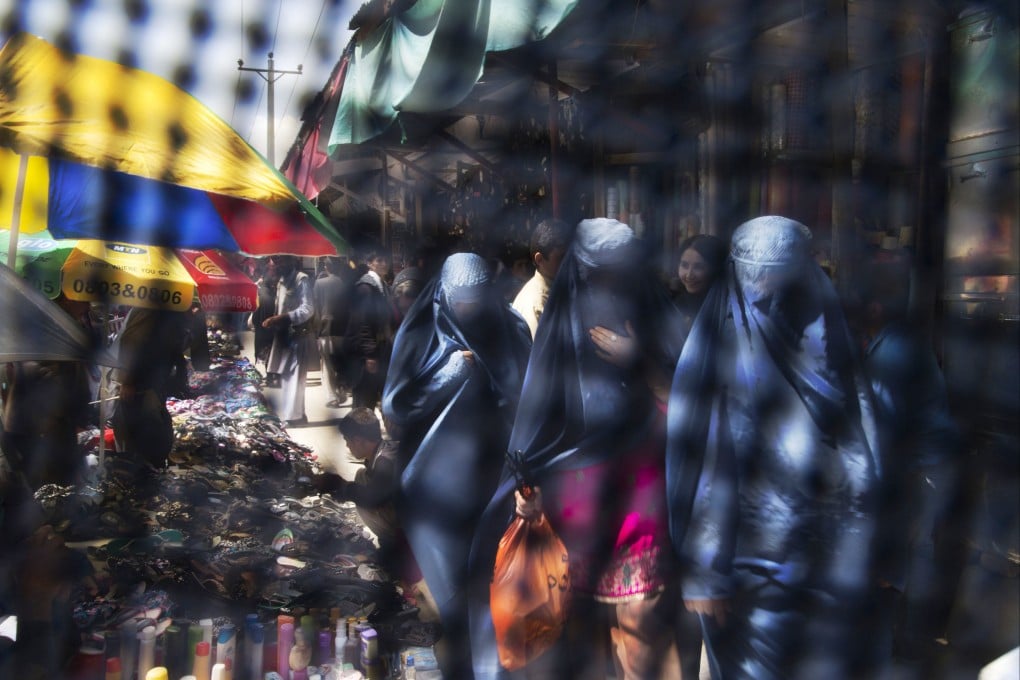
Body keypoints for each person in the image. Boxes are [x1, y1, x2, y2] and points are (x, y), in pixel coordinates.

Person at [470, 218, 689, 680]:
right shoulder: (560, 336)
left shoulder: (663, 328)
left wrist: (644, 363)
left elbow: (695, 416)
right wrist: (527, 490)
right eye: (597, 276)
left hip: (640, 506)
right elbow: (538, 428)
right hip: (575, 516)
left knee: (641, 637)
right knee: (582, 645)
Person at [665, 215, 881, 679]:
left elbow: (858, 436)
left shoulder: (822, 337)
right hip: (752, 574)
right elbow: (710, 457)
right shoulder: (724, 349)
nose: (766, 289)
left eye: (777, 277)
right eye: (757, 276)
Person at [383, 252, 532, 679]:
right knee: (453, 597)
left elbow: (532, 398)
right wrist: (450, 372)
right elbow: (396, 405)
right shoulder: (423, 331)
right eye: (459, 301)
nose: (467, 310)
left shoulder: (510, 328)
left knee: (494, 590)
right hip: (436, 488)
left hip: (498, 482)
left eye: (475, 300)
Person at [857, 256, 962, 674]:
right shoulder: (895, 341)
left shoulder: (894, 351)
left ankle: (903, 650)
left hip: (919, 475)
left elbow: (885, 432)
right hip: (925, 470)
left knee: (899, 567)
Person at [1, 295, 94, 488]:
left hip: (54, 422)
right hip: (45, 424)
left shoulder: (64, 323)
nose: (88, 305)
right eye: (84, 300)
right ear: (69, 297)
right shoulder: (52, 324)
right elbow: (36, 368)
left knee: (57, 480)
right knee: (51, 484)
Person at [112, 307, 193, 467]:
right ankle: (141, 473)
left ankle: (148, 470)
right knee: (144, 433)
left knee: (153, 430)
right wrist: (127, 380)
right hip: (142, 385)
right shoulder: (149, 308)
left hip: (153, 381)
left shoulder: (165, 308)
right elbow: (131, 341)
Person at [262, 255, 316, 426]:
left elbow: (308, 309)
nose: (278, 264)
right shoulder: (281, 281)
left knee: (295, 377)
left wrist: (284, 318)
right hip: (283, 336)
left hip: (298, 335)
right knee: (287, 376)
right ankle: (295, 414)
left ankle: (294, 417)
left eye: (282, 261)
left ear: (292, 261)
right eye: (276, 261)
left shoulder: (302, 279)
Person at [344, 248, 395, 410]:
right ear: (369, 264)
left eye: (386, 260)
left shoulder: (381, 286)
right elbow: (362, 323)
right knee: (364, 397)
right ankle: (359, 432)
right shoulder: (366, 287)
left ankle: (367, 430)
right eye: (379, 261)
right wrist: (370, 355)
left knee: (371, 395)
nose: (384, 264)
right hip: (366, 353)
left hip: (379, 349)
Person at [512, 219, 572, 338]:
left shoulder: (562, 288)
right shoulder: (535, 304)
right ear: (539, 259)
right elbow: (538, 354)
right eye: (561, 258)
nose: (569, 263)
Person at [672, 233, 728, 335]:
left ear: (716, 270)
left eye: (698, 267)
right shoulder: (679, 304)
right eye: (684, 265)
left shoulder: (729, 310)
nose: (689, 275)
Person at [313, 256, 351, 408]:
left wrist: (315, 330)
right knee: (341, 361)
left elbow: (316, 308)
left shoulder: (319, 283)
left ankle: (332, 397)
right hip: (343, 329)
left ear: (326, 267)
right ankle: (342, 388)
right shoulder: (346, 285)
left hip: (325, 329)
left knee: (327, 364)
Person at [250, 262, 280, 385]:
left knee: (263, 353)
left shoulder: (260, 294)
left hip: (261, 330)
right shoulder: (272, 296)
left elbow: (256, 314)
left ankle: (267, 376)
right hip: (270, 329)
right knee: (270, 353)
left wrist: (256, 324)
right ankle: (271, 375)